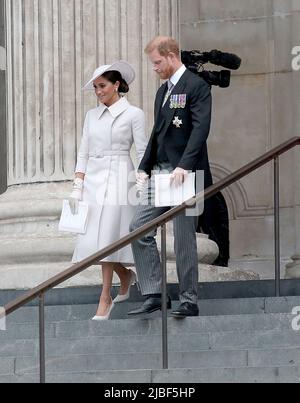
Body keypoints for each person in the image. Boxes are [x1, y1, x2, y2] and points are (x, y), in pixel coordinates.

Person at [128, 36, 213, 318]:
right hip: (161, 172)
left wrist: (185, 165)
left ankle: (188, 299)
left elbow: (200, 130)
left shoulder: (196, 86)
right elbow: (158, 132)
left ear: (171, 56)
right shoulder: (162, 91)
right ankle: (155, 292)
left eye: (156, 62)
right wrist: (144, 166)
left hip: (184, 174)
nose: (154, 68)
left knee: (183, 237)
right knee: (138, 228)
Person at [70, 61, 148, 320]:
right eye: (95, 87)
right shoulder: (91, 116)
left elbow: (143, 149)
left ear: (117, 85)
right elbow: (83, 150)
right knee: (92, 241)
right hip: (93, 179)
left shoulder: (134, 114)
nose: (98, 91)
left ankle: (105, 297)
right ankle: (125, 275)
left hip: (119, 178)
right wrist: (78, 184)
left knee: (107, 238)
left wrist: (141, 179)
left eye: (102, 86)